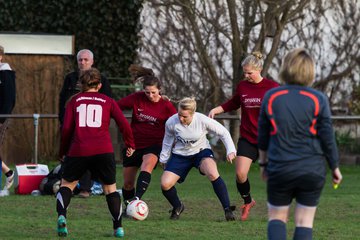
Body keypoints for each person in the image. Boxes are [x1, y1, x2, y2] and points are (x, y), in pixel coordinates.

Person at [257, 48, 342, 240]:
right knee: (304, 221)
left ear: (286, 68)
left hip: (280, 168)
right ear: (310, 71)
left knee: (277, 217)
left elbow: (262, 136)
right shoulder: (318, 98)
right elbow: (327, 137)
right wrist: (335, 166)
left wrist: (263, 165)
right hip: (312, 170)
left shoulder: (271, 97)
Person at [56, 68, 135, 238]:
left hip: (79, 149)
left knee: (66, 185)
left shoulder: (74, 101)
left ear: (82, 85)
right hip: (103, 151)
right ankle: (118, 228)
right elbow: (124, 125)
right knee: (110, 190)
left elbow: (67, 129)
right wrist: (130, 144)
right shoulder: (108, 101)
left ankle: (62, 216)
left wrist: (63, 151)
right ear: (99, 85)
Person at [208, 52, 279, 220]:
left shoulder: (272, 87)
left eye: (250, 73)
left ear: (259, 69)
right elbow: (234, 102)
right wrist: (217, 109)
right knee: (240, 174)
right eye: (245, 73)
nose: (246, 76)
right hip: (247, 137)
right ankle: (248, 201)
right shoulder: (243, 86)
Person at [160, 97, 237, 221]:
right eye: (179, 114)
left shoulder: (202, 120)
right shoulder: (171, 122)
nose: (181, 118)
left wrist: (231, 150)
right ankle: (178, 206)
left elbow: (223, 132)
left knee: (212, 172)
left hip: (201, 152)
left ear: (193, 114)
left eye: (185, 117)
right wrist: (163, 158)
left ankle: (228, 210)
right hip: (180, 155)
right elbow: (167, 140)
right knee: (165, 184)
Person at [117, 65, 177, 212]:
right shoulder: (137, 98)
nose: (150, 95)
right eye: (147, 92)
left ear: (160, 90)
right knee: (127, 183)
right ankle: (128, 207)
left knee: (147, 165)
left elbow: (177, 125)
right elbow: (116, 107)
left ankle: (136, 201)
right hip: (133, 145)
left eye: (153, 93)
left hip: (154, 145)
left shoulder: (167, 106)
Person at [59, 49, 112, 198]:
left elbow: (109, 103)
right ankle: (70, 187)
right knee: (70, 158)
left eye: (85, 60)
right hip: (72, 125)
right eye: (80, 60)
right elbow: (62, 101)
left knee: (88, 155)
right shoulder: (70, 78)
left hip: (92, 127)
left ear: (92, 61)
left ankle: (87, 188)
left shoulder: (102, 80)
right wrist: (62, 122)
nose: (83, 62)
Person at [0, 45, 16, 196]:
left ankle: (8, 173)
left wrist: (2, 119)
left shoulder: (5, 74)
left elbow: (10, 99)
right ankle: (8, 172)